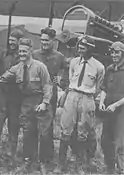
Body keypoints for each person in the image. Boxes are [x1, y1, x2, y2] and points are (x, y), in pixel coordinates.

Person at [0, 37, 53, 173]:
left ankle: (43, 162)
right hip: (27, 102)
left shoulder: (40, 67)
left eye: (25, 51)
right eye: (20, 51)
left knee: (44, 133)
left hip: (40, 100)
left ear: (30, 51)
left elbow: (47, 85)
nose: (22, 54)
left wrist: (45, 103)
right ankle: (28, 160)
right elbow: (2, 78)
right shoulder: (17, 68)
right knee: (28, 131)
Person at [54, 36, 105, 173]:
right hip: (73, 94)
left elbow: (99, 86)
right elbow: (71, 79)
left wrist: (89, 98)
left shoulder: (99, 67)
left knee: (84, 130)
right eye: (79, 46)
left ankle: (81, 164)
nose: (80, 49)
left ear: (91, 49)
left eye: (84, 47)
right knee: (66, 129)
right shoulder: (74, 62)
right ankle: (61, 164)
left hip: (87, 97)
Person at [0, 29, 24, 166]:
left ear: (20, 42)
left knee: (14, 127)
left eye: (14, 40)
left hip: (16, 98)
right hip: (2, 96)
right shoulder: (3, 54)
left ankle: (9, 156)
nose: (11, 43)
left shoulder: (23, 57)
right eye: (10, 40)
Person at [32, 27, 67, 165]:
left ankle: (47, 158)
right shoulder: (35, 54)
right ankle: (32, 156)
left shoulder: (59, 57)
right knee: (33, 125)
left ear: (53, 41)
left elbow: (67, 69)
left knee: (47, 128)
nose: (43, 43)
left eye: (46, 40)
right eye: (41, 40)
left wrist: (60, 79)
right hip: (35, 94)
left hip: (51, 95)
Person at [99, 41, 124, 174]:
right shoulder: (109, 69)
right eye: (112, 52)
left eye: (117, 52)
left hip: (121, 112)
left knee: (120, 143)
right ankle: (110, 168)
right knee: (105, 140)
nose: (114, 55)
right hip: (109, 111)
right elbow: (104, 88)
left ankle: (121, 170)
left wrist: (115, 105)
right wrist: (102, 102)